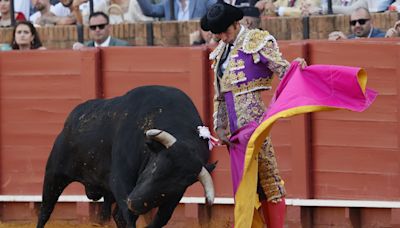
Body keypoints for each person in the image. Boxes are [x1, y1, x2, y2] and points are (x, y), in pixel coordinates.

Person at [201, 2, 306, 227]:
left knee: (268, 180)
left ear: (236, 23)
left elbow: (282, 70)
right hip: (234, 133)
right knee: (247, 184)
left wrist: (296, 67)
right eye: (217, 33)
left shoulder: (256, 41)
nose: (222, 37)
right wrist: (220, 126)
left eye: (225, 31)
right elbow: (219, 95)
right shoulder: (219, 52)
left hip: (255, 127)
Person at [137, 0, 217, 21]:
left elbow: (218, 8)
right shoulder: (169, 3)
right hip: (175, 49)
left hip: (198, 48)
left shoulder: (203, 1)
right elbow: (150, 11)